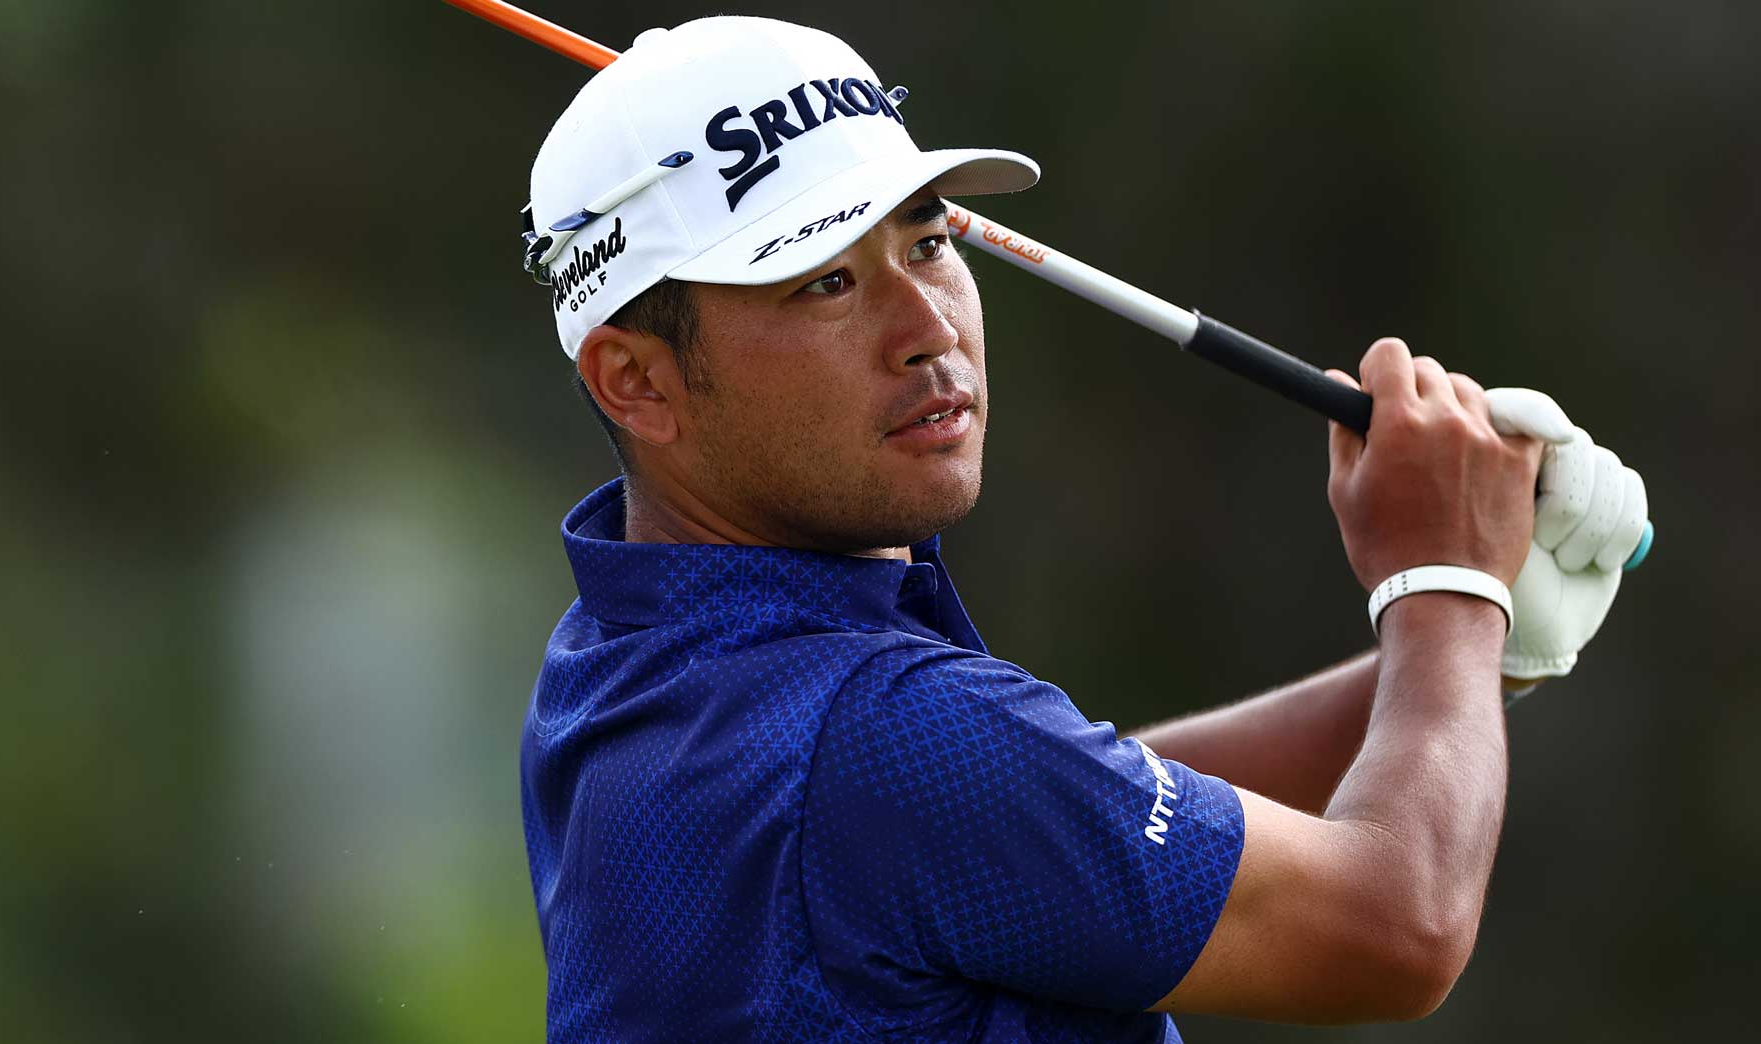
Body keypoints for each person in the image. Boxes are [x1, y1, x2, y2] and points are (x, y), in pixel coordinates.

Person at [516, 16, 1649, 1042]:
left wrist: (1453, 664)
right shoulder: (876, 740)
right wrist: (1443, 587)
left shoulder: (620, 659)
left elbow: (1050, 812)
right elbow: (1394, 931)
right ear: (636, 381)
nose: (924, 327)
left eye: (925, 244)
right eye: (821, 284)